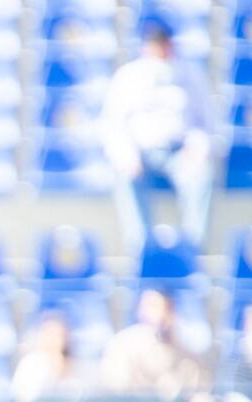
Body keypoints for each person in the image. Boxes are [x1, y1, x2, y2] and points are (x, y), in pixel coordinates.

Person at [99, 18, 214, 253]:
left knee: (202, 174)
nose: (160, 49)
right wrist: (126, 154)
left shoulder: (191, 75)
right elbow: (111, 124)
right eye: (154, 44)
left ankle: (190, 248)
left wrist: (198, 147)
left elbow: (207, 122)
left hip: (179, 153)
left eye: (163, 43)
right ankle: (141, 249)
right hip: (141, 155)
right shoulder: (129, 76)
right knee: (122, 173)